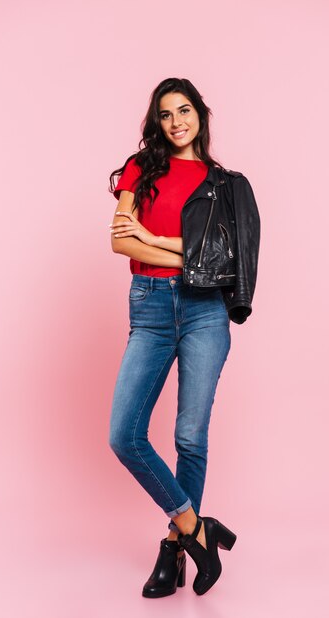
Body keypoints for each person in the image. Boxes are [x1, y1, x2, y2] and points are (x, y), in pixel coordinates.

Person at [108, 77, 251, 598]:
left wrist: (150, 237)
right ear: (157, 121)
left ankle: (172, 548)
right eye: (165, 114)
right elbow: (118, 240)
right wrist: (176, 251)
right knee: (125, 434)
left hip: (204, 314)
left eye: (184, 110)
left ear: (200, 115)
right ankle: (197, 529)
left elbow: (221, 267)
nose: (176, 122)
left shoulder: (220, 182)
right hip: (149, 304)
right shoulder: (140, 167)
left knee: (190, 437)